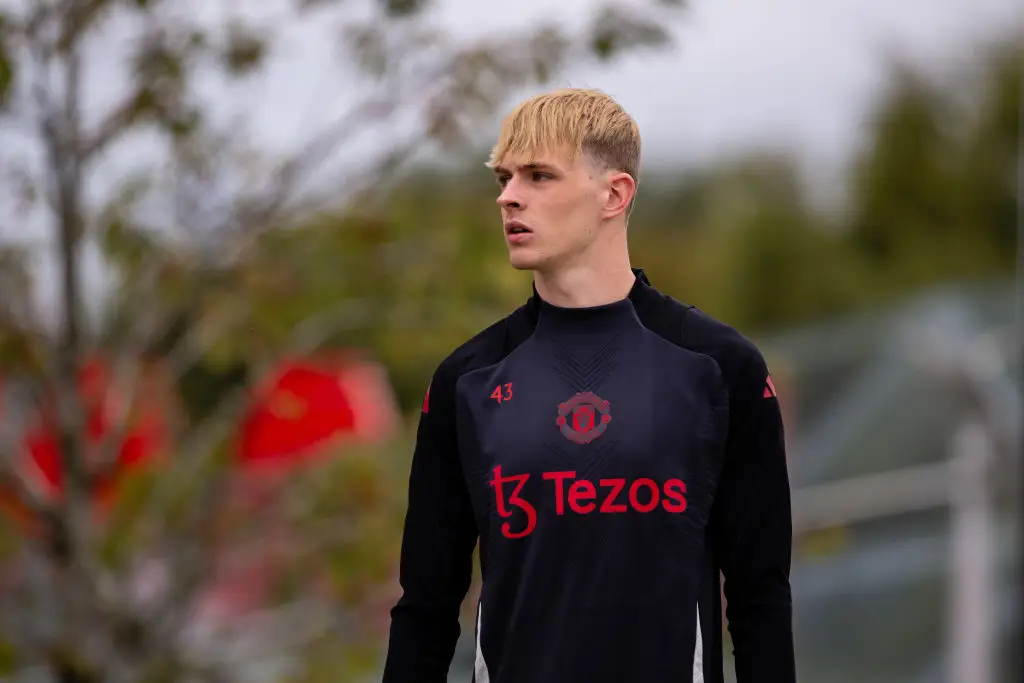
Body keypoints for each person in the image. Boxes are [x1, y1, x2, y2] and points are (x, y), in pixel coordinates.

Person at [383, 88, 796, 683]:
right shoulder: (465, 380)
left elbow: (760, 594)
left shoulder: (719, 367)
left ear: (614, 193)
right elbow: (425, 606)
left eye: (539, 176)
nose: (508, 196)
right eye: (504, 177)